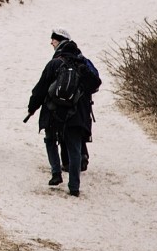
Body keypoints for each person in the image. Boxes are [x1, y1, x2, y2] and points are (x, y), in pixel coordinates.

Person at [27, 28, 102, 197]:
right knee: (74, 148)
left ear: (59, 43)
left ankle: (56, 173)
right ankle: (74, 186)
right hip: (77, 113)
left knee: (50, 140)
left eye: (53, 40)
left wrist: (32, 107)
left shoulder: (54, 63)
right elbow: (95, 84)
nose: (51, 43)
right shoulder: (83, 63)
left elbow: (40, 88)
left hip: (53, 111)